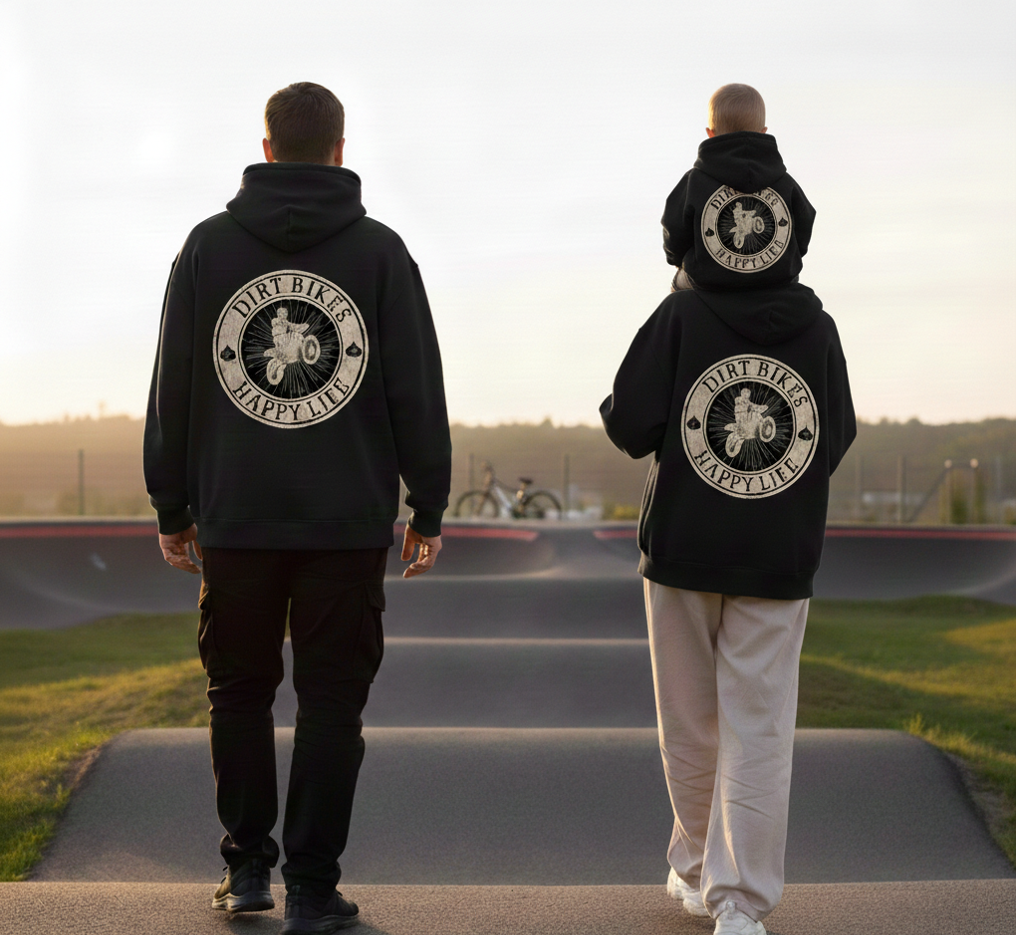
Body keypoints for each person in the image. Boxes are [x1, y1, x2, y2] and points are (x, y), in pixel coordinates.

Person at [144, 81, 452, 933]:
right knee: (331, 705)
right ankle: (313, 889)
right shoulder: (381, 254)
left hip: (236, 518)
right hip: (346, 524)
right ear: (340, 151)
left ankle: (247, 869)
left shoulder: (206, 248)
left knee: (237, 692)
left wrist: (171, 504)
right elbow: (416, 388)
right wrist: (428, 505)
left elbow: (174, 384)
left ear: (268, 148)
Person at [600, 275, 855, 929]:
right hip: (779, 550)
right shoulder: (818, 328)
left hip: (684, 545)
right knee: (759, 725)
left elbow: (628, 424)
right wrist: (776, 495)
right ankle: (734, 898)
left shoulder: (681, 314)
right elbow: (833, 437)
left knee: (688, 720)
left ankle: (696, 871)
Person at [661, 83, 816, 293]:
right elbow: (805, 221)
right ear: (763, 132)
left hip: (708, 282)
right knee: (793, 278)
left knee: (677, 288)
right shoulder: (785, 182)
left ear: (710, 134)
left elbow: (674, 228)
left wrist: (677, 259)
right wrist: (786, 258)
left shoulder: (694, 182)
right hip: (775, 281)